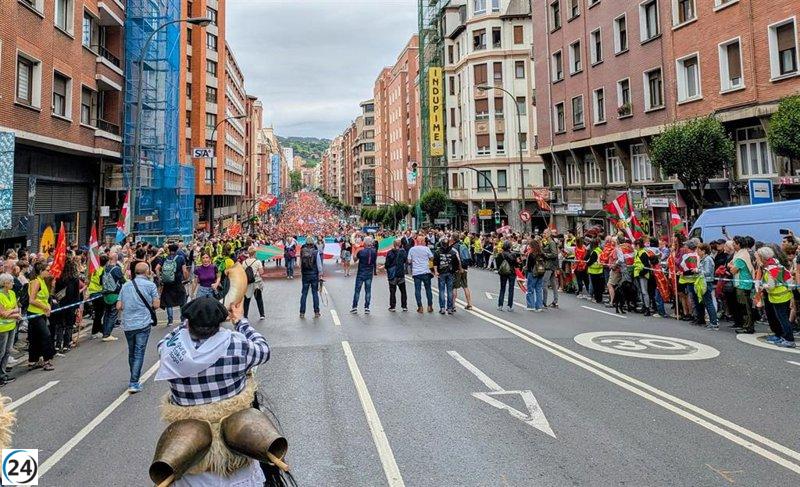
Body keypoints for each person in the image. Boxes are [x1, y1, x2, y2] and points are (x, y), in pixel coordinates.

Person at [155, 298, 270, 486]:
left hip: (190, 454)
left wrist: (186, 323)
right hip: (237, 448)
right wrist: (240, 322)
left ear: (188, 323)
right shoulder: (236, 343)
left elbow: (166, 340)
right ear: (219, 322)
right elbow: (264, 350)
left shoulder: (171, 351)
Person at [117, 262, 160, 393]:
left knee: (132, 352)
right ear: (147, 272)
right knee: (139, 352)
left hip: (128, 323)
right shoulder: (151, 285)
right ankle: (134, 381)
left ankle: (134, 377)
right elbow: (157, 305)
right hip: (143, 322)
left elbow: (119, 306)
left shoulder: (125, 286)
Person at [756, 246, 795, 348]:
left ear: (762, 258)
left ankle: (789, 339)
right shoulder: (777, 264)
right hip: (784, 295)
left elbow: (771, 286)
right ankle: (785, 337)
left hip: (779, 298)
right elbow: (789, 279)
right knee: (783, 318)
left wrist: (763, 286)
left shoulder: (770, 269)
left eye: (758, 257)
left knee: (783, 319)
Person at [26, 261, 55, 371]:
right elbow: (32, 300)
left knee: (36, 337)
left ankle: (34, 360)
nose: (49, 272)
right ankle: (46, 361)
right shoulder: (36, 282)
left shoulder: (42, 281)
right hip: (34, 313)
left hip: (40, 313)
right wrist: (45, 307)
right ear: (40, 271)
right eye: (47, 270)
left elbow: (44, 298)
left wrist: (47, 307)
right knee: (46, 335)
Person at [51, 257, 81, 352]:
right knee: (69, 325)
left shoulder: (59, 279)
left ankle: (58, 344)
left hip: (61, 305)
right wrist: (77, 306)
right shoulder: (75, 279)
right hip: (71, 305)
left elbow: (56, 292)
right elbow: (77, 294)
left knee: (60, 325)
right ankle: (66, 344)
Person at [156, 244, 188, 327]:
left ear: (169, 250)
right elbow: (184, 271)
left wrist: (160, 278)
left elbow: (157, 268)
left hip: (167, 283)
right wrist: (185, 278)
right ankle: (182, 319)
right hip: (178, 282)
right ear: (177, 250)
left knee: (168, 301)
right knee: (182, 300)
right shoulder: (181, 258)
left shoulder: (164, 258)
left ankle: (170, 320)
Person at [729, 236, 755, 334]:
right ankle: (747, 325)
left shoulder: (740, 257)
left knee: (745, 306)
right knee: (744, 306)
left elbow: (732, 270)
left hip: (743, 283)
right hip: (742, 283)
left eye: (734, 243)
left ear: (739, 244)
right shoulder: (741, 254)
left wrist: (731, 266)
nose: (733, 245)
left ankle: (748, 326)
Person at [0, 273, 20, 385]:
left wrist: (12, 312)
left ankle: (3, 374)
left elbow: (16, 308)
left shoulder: (12, 293)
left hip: (12, 325)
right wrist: (14, 313)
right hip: (2, 327)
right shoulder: (0, 295)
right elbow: (2, 314)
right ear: (5, 283)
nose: (13, 283)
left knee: (7, 351)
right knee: (1, 352)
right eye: (11, 282)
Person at [101, 252, 125, 341]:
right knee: (112, 314)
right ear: (116, 258)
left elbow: (101, 281)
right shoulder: (116, 269)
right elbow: (122, 280)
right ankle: (107, 334)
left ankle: (105, 333)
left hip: (106, 294)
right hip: (114, 294)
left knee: (107, 314)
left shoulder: (105, 268)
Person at [695, 243, 720, 330]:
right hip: (704, 282)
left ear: (703, 251)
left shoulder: (708, 259)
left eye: (699, 250)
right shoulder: (704, 259)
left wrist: (697, 270)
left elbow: (708, 272)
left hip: (707, 282)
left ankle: (714, 322)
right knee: (707, 303)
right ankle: (712, 321)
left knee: (709, 303)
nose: (697, 251)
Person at [408, 236, 435, 313]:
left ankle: (420, 307)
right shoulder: (426, 249)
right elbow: (432, 258)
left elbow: (409, 261)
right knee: (428, 289)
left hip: (416, 272)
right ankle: (430, 306)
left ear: (416, 241)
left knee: (417, 290)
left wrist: (415, 260)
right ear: (423, 241)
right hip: (426, 271)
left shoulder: (412, 249)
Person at [434, 236, 460, 314]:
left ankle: (442, 308)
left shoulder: (437, 252)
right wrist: (454, 271)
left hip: (441, 273)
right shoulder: (452, 252)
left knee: (441, 291)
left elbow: (434, 262)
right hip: (450, 273)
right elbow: (457, 263)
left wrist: (436, 271)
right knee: (449, 291)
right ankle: (449, 308)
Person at [351, 237, 377, 314]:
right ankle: (367, 307)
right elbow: (373, 261)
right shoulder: (374, 252)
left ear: (365, 243)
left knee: (357, 291)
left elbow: (355, 260)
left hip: (361, 273)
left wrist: (355, 251)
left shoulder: (361, 252)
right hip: (369, 273)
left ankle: (354, 307)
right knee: (368, 291)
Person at [299, 236, 323, 318]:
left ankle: (302, 312)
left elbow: (300, 263)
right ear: (313, 243)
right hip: (314, 274)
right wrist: (320, 274)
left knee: (304, 294)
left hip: (305, 274)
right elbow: (319, 265)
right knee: (314, 293)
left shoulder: (302, 251)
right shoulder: (316, 252)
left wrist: (301, 272)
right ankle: (316, 312)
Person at [384, 239, 408, 312]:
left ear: (394, 244)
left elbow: (387, 264)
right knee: (403, 291)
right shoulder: (403, 251)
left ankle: (392, 306)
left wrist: (386, 268)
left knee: (392, 291)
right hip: (400, 273)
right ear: (400, 244)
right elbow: (405, 261)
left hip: (392, 274)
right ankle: (404, 306)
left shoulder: (390, 252)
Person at [242, 247, 265, 321]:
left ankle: (245, 315)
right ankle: (262, 314)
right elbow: (261, 272)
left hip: (248, 283)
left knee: (247, 299)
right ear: (255, 253)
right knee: (259, 298)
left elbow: (243, 273)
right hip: (256, 282)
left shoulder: (244, 262)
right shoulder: (257, 262)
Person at [88, 254, 107, 337]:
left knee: (98, 313)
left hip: (92, 292)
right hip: (98, 293)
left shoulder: (94, 268)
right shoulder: (102, 270)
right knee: (99, 313)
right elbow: (102, 283)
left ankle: (99, 329)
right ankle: (95, 331)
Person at [525, 240, 546, 312]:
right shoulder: (542, 254)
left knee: (530, 289)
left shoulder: (531, 254)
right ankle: (539, 306)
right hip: (541, 273)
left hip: (532, 273)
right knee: (539, 290)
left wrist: (526, 272)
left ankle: (530, 306)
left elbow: (528, 266)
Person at [496, 241, 518, 311]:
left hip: (503, 272)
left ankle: (500, 305)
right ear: (510, 247)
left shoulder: (500, 254)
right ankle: (509, 306)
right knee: (511, 289)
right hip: (511, 272)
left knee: (502, 288)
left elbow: (498, 264)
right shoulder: (513, 254)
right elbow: (516, 265)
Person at [587, 239, 605, 304]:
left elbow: (590, 261)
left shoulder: (594, 252)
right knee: (599, 286)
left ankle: (597, 299)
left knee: (595, 286)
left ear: (593, 245)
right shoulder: (600, 250)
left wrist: (587, 263)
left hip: (594, 271)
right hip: (600, 270)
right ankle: (600, 298)